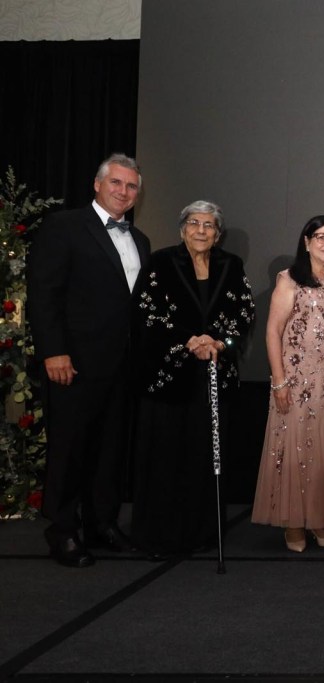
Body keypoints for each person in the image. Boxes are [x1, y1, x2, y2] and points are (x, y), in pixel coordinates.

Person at [26, 153, 151, 568]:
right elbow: (44, 295)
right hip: (73, 364)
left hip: (123, 367)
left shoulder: (141, 240)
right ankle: (62, 530)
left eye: (132, 186)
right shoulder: (64, 227)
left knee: (110, 452)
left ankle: (102, 525)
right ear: (97, 185)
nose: (124, 191)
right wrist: (53, 350)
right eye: (116, 183)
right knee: (70, 449)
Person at [132, 200, 255, 557]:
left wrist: (218, 341)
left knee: (204, 456)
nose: (201, 231)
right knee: (165, 455)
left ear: (218, 234)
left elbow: (243, 311)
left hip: (215, 376)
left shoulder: (231, 265)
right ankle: (158, 535)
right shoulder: (161, 262)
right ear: (183, 228)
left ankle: (201, 532)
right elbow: (146, 311)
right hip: (168, 377)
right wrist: (189, 340)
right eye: (195, 223)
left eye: (209, 225)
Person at [252, 215, 324, 552]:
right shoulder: (290, 280)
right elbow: (273, 332)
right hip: (296, 381)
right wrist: (280, 382)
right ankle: (294, 523)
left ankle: (321, 520)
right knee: (296, 451)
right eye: (322, 237)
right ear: (307, 241)